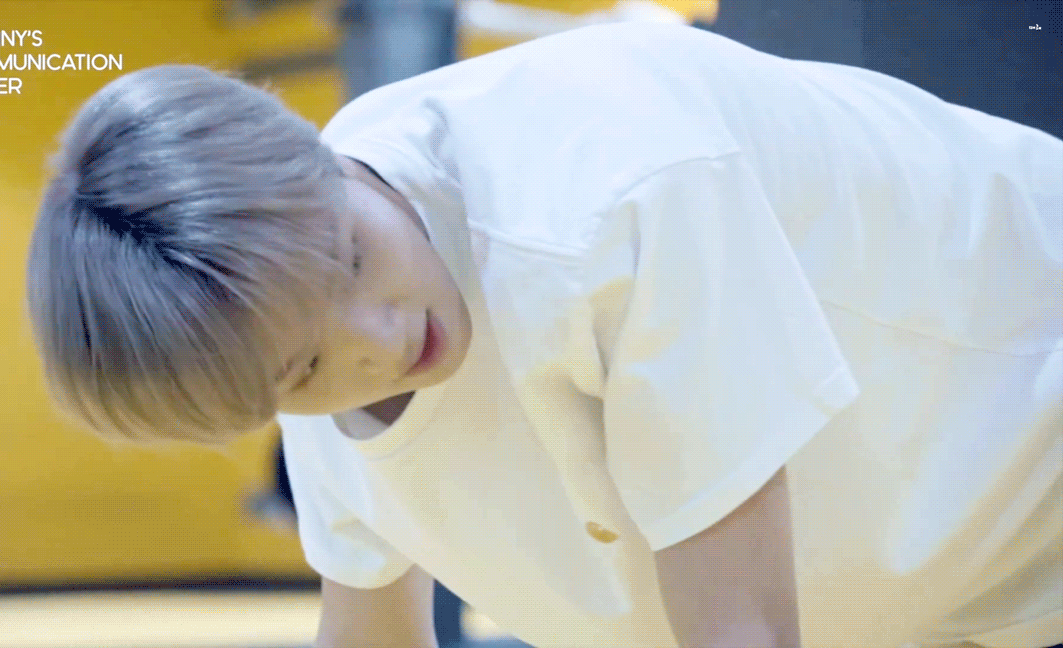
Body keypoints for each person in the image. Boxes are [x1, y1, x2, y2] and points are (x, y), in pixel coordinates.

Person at [24, 22, 1061, 648]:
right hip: (934, 594)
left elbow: (739, 627)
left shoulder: (612, 187)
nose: (378, 339)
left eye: (352, 260)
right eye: (304, 369)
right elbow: (368, 629)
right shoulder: (265, 300)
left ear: (320, 159)